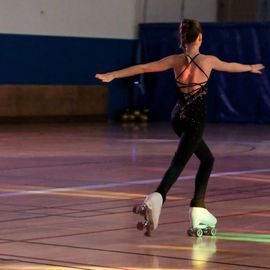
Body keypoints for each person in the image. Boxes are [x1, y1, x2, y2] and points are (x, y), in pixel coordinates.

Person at [95, 19, 264, 237]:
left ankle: (198, 205)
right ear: (200, 38)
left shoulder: (175, 60)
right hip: (195, 120)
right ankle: (157, 197)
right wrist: (250, 67)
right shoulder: (208, 61)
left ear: (182, 39)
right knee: (179, 162)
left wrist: (114, 74)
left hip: (177, 118)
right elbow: (231, 66)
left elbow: (144, 67)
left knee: (207, 159)